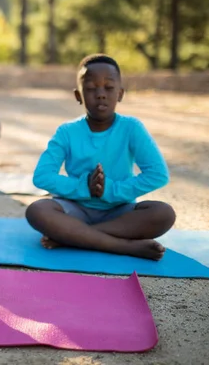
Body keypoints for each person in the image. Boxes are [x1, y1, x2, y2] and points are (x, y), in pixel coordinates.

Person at [25, 54, 176, 260]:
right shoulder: (67, 131)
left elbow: (158, 174)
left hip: (119, 211)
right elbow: (42, 176)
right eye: (91, 88)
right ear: (78, 96)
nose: (101, 94)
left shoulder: (132, 128)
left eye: (108, 87)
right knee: (37, 210)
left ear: (120, 93)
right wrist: (84, 187)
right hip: (75, 208)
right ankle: (123, 247)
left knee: (164, 214)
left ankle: (72, 236)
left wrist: (111, 189)